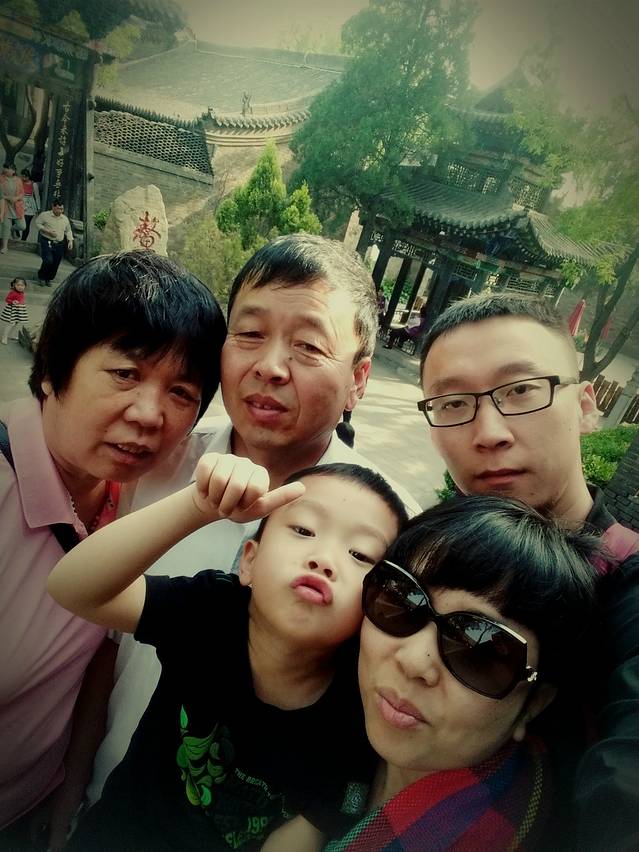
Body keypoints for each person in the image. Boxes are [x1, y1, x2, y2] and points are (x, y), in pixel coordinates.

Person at [88, 233, 421, 804]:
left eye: (309, 346)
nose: (269, 367)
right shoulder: (155, 464)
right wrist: (74, 785)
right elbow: (108, 645)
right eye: (249, 334)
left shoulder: (395, 530)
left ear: (358, 380)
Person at [48, 458, 407, 851]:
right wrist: (196, 506)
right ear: (248, 561)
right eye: (304, 530)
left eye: (361, 555)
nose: (324, 559)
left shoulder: (359, 713)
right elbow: (71, 586)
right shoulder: (210, 611)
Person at [0, 251, 226, 851]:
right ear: (53, 369)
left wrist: (70, 792)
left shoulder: (132, 498)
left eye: (182, 391)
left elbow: (96, 660)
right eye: (125, 373)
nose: (150, 414)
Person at [418, 292, 639, 850]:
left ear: (585, 407)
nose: (488, 432)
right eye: (453, 403)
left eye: (520, 390)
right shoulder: (423, 559)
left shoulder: (629, 589)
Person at [263, 495, 600, 852]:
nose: (413, 661)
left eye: (479, 648)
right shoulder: (328, 705)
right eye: (402, 599)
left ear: (534, 703)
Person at [35, 198, 73, 284]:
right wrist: (47, 231)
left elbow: (68, 230)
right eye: (58, 208)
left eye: (62, 209)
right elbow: (38, 223)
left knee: (56, 262)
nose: (60, 211)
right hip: (47, 241)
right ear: (53, 207)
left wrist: (70, 241)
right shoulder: (45, 215)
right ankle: (42, 276)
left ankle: (49, 278)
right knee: (48, 260)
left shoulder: (64, 218)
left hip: (59, 243)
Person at [0, 162, 25, 253]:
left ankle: (13, 229)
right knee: (6, 226)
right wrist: (7, 198)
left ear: (13, 171)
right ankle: (4, 247)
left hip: (16, 206)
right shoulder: (1, 179)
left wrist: (16, 198)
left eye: (8, 168)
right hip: (5, 205)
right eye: (5, 167)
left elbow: (22, 193)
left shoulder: (18, 180)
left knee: (22, 226)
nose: (5, 169)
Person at [1, 277, 28, 345]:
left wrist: (21, 304)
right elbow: (7, 299)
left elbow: (21, 299)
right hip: (12, 309)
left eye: (22, 285)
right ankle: (4, 337)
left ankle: (11, 335)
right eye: (18, 285)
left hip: (19, 309)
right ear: (14, 285)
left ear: (25, 286)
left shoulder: (22, 293)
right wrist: (12, 301)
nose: (20, 287)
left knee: (16, 322)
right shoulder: (13, 292)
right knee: (11, 323)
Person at [20, 168, 40, 241]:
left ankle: (23, 240)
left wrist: (38, 207)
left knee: (27, 223)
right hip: (20, 203)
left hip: (30, 205)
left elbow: (37, 196)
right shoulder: (19, 182)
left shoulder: (34, 184)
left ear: (28, 176)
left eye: (25, 177)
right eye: (22, 176)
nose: (24, 178)